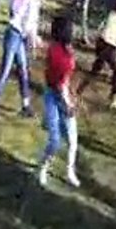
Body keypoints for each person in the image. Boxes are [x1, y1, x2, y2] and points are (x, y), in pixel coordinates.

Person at [38, 15, 80, 188]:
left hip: (53, 93)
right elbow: (62, 85)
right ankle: (44, 168)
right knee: (62, 139)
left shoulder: (53, 48)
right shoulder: (66, 58)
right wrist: (69, 105)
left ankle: (69, 171)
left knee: (66, 139)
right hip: (57, 96)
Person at [76, 2, 116, 110]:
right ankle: (113, 98)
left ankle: (80, 90)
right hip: (109, 46)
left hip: (101, 43)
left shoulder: (111, 14)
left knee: (96, 68)